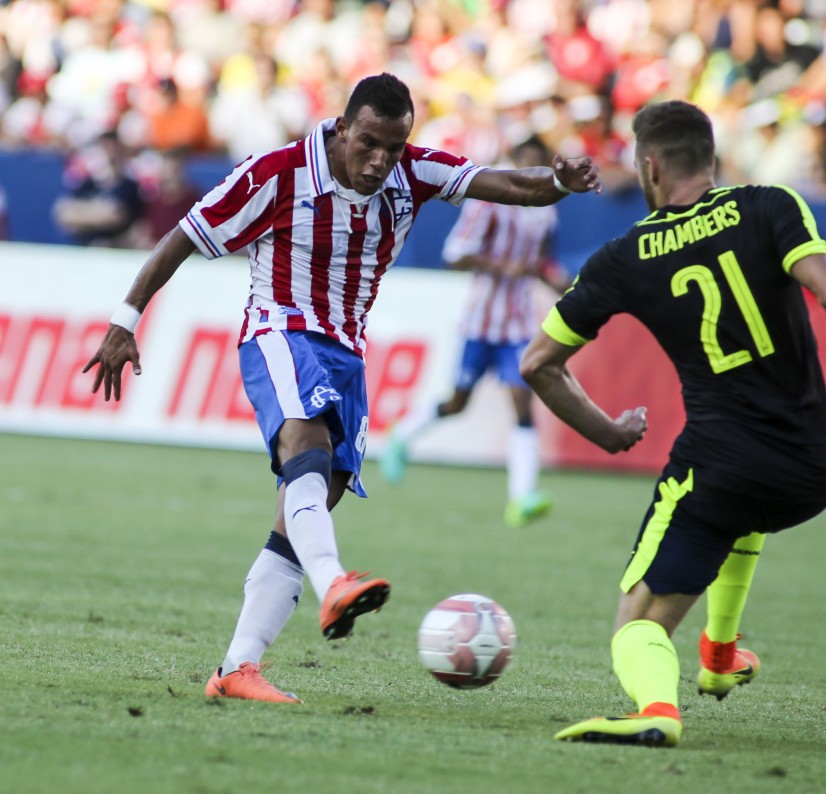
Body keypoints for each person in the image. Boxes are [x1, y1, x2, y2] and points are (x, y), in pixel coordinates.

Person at [83, 73, 601, 704]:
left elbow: (511, 185)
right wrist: (125, 320)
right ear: (342, 127)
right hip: (279, 330)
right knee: (305, 446)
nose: (380, 160)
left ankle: (236, 670)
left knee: (307, 505)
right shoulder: (277, 173)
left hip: (347, 353)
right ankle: (332, 583)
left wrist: (558, 184)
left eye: (394, 145)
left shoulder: (414, 171)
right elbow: (184, 236)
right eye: (368, 142)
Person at [519, 100, 826, 747]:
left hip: (722, 466)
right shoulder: (770, 206)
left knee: (637, 623)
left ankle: (656, 710)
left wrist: (608, 432)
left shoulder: (625, 256)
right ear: (714, 159)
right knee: (744, 511)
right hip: (814, 465)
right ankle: (720, 655)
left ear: (649, 167)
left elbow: (539, 363)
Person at [380, 136, 570, 527]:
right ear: (515, 164)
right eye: (528, 166)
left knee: (522, 401)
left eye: (542, 168)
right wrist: (503, 267)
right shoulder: (489, 203)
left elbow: (540, 261)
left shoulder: (548, 212)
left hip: (517, 322)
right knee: (458, 402)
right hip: (481, 319)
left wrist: (556, 283)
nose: (537, 177)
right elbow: (455, 255)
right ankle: (403, 434)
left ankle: (522, 496)